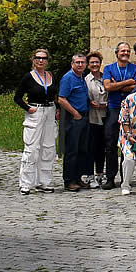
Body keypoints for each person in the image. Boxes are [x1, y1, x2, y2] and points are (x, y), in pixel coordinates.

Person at [14, 48, 58, 195]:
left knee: (48, 148)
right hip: (35, 112)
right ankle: (26, 183)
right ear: (33, 60)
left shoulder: (50, 75)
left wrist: (56, 108)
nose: (41, 61)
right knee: (32, 148)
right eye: (38, 58)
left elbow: (54, 94)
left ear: (47, 60)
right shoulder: (28, 77)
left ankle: (43, 182)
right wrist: (28, 108)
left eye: (44, 58)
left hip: (50, 111)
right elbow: (17, 97)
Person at [101, 42, 136, 188]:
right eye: (122, 51)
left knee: (128, 143)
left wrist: (116, 85)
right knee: (110, 144)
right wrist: (126, 83)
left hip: (130, 110)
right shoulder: (108, 68)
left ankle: (126, 178)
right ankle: (110, 177)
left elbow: (135, 86)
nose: (125, 53)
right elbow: (107, 87)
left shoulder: (135, 68)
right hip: (113, 108)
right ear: (117, 53)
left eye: (128, 51)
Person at [57, 52, 90, 192]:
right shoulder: (68, 78)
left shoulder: (82, 77)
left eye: (83, 62)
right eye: (78, 62)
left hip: (84, 116)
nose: (80, 65)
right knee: (72, 150)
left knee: (82, 150)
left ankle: (77, 178)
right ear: (72, 64)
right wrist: (75, 113)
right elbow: (61, 99)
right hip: (73, 118)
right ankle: (69, 180)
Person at [85, 51, 108, 188]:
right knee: (91, 147)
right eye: (92, 62)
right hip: (92, 116)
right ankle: (90, 174)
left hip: (105, 114)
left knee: (102, 147)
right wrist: (90, 102)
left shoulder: (105, 77)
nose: (95, 65)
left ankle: (100, 173)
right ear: (88, 65)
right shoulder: (86, 80)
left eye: (97, 62)